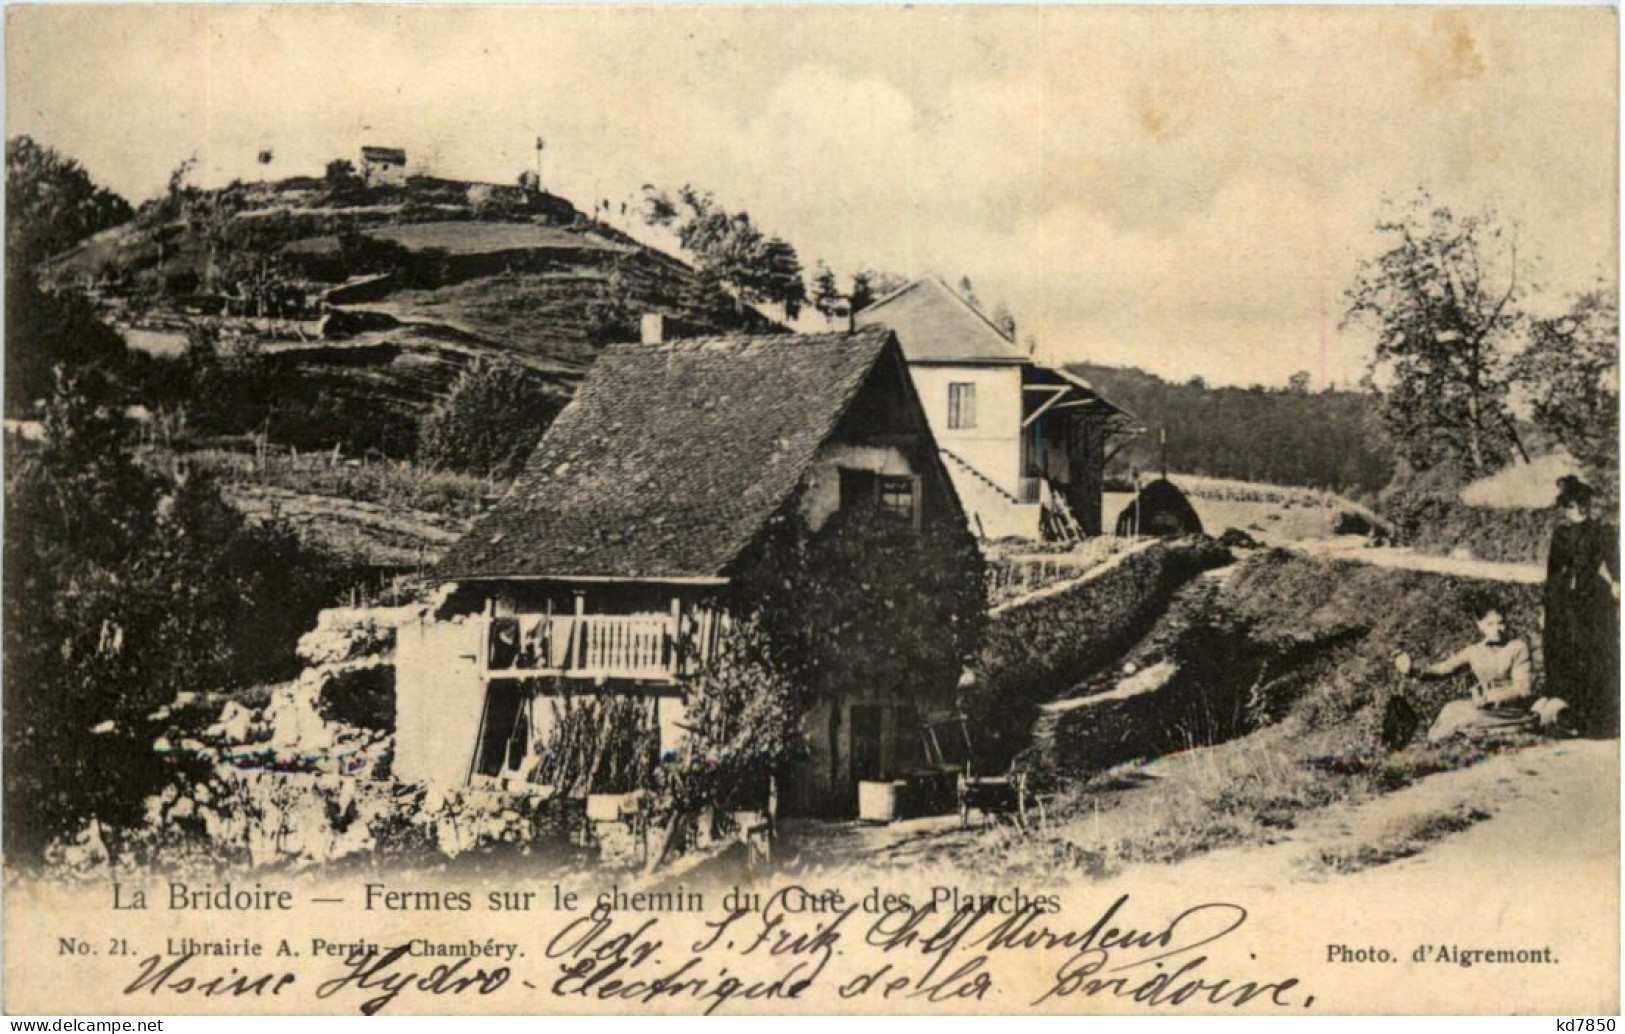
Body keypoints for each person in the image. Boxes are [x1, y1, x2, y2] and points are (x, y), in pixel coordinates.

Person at [1395, 601, 1567, 743]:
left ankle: (1499, 732)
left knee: (1466, 718)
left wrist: (1492, 698)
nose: (1497, 629)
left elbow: (1522, 688)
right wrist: (1413, 670)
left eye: (1501, 622)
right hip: (1484, 707)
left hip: (1511, 708)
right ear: (1480, 626)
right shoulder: (1474, 651)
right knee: (1450, 709)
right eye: (1490, 624)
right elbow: (1443, 669)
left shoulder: (1517, 647)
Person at [1543, 476, 1620, 737]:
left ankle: (1599, 719)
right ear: (1566, 507)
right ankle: (1570, 716)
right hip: (1565, 599)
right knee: (1568, 653)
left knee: (1595, 653)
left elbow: (1615, 562)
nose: (1580, 508)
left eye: (1584, 502)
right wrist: (1548, 607)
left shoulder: (1603, 532)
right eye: (1574, 504)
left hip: (1594, 598)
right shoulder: (1561, 534)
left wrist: (1618, 583)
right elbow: (1553, 571)